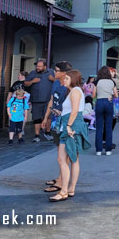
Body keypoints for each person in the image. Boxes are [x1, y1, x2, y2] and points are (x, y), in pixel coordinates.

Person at [49, 69, 90, 202]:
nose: (64, 80)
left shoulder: (75, 91)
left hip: (70, 127)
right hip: (71, 125)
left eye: (66, 78)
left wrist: (68, 126)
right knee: (73, 159)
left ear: (72, 79)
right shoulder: (74, 91)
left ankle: (64, 191)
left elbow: (74, 111)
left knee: (62, 159)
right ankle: (70, 189)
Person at [41, 61, 72, 194]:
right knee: (59, 149)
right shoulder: (55, 83)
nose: (55, 72)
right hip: (55, 120)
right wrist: (46, 117)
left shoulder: (68, 86)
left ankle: (60, 182)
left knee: (63, 154)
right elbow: (52, 100)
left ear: (64, 73)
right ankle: (60, 178)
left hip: (63, 120)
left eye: (57, 70)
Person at [24, 59, 54, 142]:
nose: (38, 68)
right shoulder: (33, 73)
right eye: (37, 66)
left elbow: (59, 82)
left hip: (48, 100)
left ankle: (48, 132)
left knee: (48, 117)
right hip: (36, 99)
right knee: (36, 118)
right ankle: (37, 135)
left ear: (45, 66)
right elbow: (25, 83)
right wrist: (32, 81)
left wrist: (52, 79)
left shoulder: (51, 72)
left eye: (40, 66)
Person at [93, 66, 118, 156]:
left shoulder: (97, 81)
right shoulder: (112, 82)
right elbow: (116, 95)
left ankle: (98, 150)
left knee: (99, 127)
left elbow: (93, 94)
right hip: (108, 102)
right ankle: (108, 150)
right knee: (108, 127)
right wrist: (111, 96)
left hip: (99, 102)